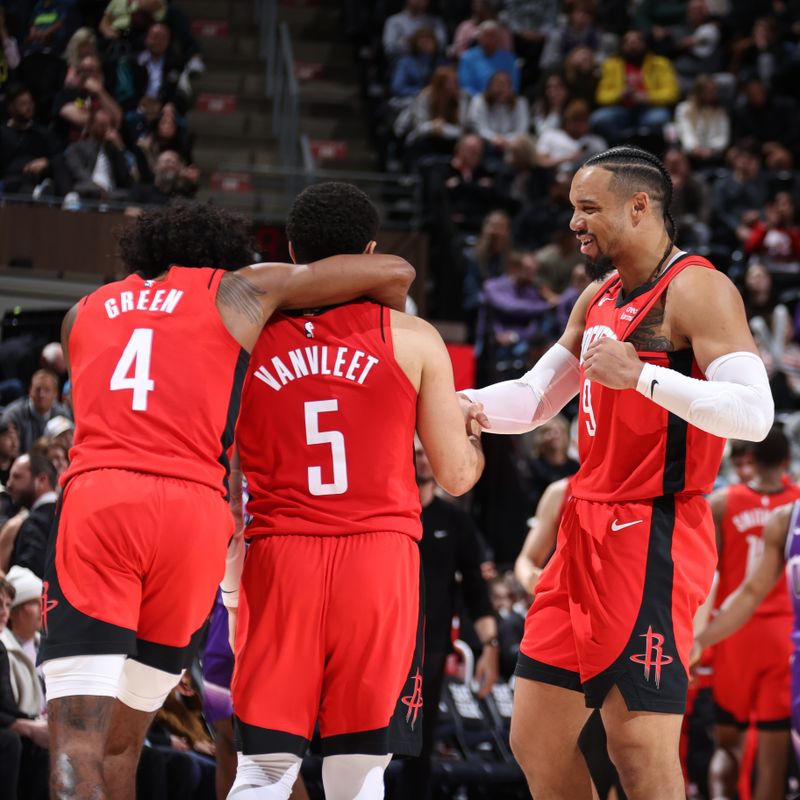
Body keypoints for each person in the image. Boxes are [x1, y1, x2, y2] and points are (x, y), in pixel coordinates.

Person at [37, 200, 416, 800]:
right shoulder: (238, 289)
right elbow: (395, 272)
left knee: (78, 739)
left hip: (103, 497)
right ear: (220, 252)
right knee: (122, 746)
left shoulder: (82, 312)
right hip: (193, 515)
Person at [461, 145, 773, 799]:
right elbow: (534, 397)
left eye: (588, 208)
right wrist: (456, 405)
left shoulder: (698, 288)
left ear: (640, 207)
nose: (575, 223)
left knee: (638, 745)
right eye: (574, 208)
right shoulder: (598, 295)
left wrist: (644, 377)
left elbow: (754, 416)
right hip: (583, 526)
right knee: (537, 741)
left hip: (653, 530)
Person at [225, 182, 484, 799]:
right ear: (368, 249)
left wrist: (229, 576)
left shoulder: (243, 336)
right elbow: (454, 476)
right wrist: (473, 439)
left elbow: (225, 471)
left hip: (280, 553)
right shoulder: (415, 336)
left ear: (290, 248)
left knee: (263, 768)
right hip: (379, 559)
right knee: (359, 768)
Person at [701, 426, 800, 800]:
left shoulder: (723, 502)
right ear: (787, 460)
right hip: (786, 635)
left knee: (727, 745)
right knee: (773, 757)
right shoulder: (795, 506)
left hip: (732, 629)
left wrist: (698, 636)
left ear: (750, 459)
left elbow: (707, 573)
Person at [400, 436, 498, 799]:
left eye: (428, 453)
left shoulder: (454, 521)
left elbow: (477, 591)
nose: (423, 461)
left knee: (419, 749)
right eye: (416, 454)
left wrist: (489, 646)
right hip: (382, 643)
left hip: (431, 649)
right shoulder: (389, 514)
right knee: (369, 743)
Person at [691, 499, 800, 774]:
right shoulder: (786, 519)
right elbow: (751, 592)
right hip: (788, 657)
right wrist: (700, 641)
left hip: (765, 644)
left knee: (745, 752)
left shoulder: (726, 501)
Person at [3, 452, 57, 576]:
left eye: (17, 477)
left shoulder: (36, 522)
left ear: (42, 480)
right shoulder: (67, 515)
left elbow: (29, 578)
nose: (9, 484)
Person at [1, 369, 70, 454]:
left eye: (47, 390)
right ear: (30, 390)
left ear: (55, 394)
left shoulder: (62, 416)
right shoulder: (13, 415)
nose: (42, 394)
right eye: (38, 389)